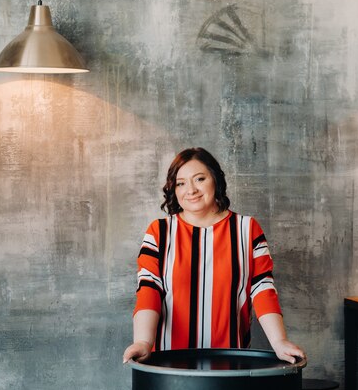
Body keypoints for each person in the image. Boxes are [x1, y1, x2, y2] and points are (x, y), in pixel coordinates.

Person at [123, 147, 305, 364]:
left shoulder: (247, 229)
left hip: (230, 360)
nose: (190, 190)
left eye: (199, 179)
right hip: (169, 362)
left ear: (215, 180)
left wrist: (279, 341)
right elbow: (148, 288)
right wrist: (143, 341)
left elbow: (262, 288)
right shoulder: (159, 232)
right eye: (181, 183)